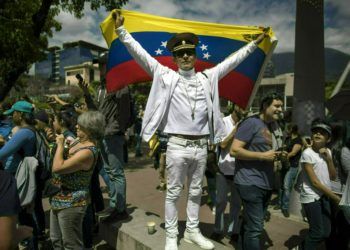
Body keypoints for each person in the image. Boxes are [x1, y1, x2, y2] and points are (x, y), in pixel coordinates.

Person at [113, 10, 267, 250]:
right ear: (174, 59)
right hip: (176, 145)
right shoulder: (165, 76)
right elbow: (141, 55)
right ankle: (172, 236)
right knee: (173, 193)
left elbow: (233, 61)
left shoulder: (208, 77)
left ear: (195, 56)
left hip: (201, 147)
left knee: (196, 192)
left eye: (189, 52)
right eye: (180, 54)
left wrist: (254, 43)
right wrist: (122, 31)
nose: (185, 56)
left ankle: (192, 232)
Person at [230, 92, 284, 250]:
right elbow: (234, 151)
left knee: (249, 224)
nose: (280, 109)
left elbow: (267, 151)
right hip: (249, 181)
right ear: (265, 106)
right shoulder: (251, 123)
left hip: (265, 182)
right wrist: (262, 156)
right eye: (277, 106)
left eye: (281, 106)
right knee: (255, 228)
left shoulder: (273, 126)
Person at [49, 111, 105, 249]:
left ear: (90, 129)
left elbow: (57, 167)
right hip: (58, 198)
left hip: (72, 202)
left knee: (71, 245)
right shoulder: (78, 141)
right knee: (56, 240)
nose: (76, 127)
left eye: (80, 125)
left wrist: (61, 145)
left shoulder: (88, 151)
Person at [299, 121, 341, 250]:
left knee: (326, 232)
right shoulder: (307, 153)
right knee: (317, 233)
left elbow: (333, 177)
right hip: (311, 197)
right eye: (315, 131)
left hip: (324, 196)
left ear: (328, 139)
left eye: (322, 133)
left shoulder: (328, 151)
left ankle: (303, 245)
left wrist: (328, 159)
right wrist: (335, 198)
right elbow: (315, 182)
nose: (318, 133)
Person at [212, 104, 245, 242]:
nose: (245, 109)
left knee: (236, 204)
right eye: (243, 105)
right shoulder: (223, 122)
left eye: (247, 106)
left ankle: (234, 231)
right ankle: (218, 230)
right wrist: (235, 131)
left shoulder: (247, 124)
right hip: (223, 169)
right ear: (235, 106)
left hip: (239, 170)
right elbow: (223, 145)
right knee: (221, 202)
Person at [279, 124, 303, 217]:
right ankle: (279, 204)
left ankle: (285, 207)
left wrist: (283, 156)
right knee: (281, 185)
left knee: (286, 186)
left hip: (292, 166)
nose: (286, 131)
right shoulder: (288, 139)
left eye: (287, 129)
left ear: (291, 129)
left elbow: (293, 153)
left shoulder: (298, 140)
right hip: (285, 164)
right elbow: (284, 148)